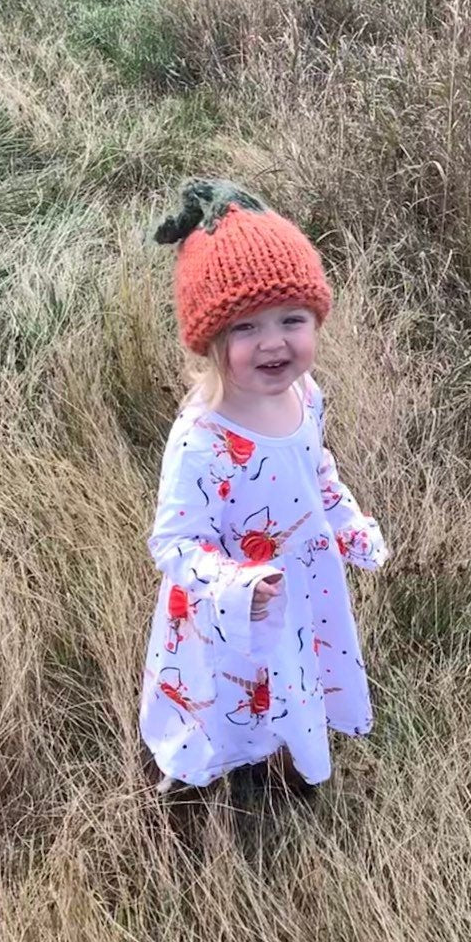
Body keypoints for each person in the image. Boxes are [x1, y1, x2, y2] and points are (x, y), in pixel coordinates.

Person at [139, 177, 389, 796]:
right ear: (211, 341)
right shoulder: (203, 438)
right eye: (246, 328)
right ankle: (203, 784)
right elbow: (173, 543)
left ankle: (290, 753)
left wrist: (343, 520)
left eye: (292, 319)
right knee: (228, 697)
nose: (274, 341)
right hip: (235, 607)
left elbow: (315, 468)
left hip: (301, 585)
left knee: (291, 676)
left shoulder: (304, 395)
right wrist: (235, 588)